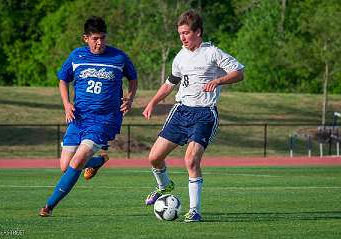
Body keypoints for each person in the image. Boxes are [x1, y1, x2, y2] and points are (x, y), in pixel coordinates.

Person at [142, 9, 244, 222]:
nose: (183, 37)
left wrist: (218, 81)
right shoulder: (180, 56)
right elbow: (170, 83)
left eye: (186, 33)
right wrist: (152, 101)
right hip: (181, 112)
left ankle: (194, 210)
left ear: (198, 32)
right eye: (180, 33)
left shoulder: (212, 53)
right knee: (154, 157)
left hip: (205, 114)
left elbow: (239, 73)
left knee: (190, 160)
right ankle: (164, 186)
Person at [39, 16, 137, 217]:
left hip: (104, 119)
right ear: (86, 38)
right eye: (94, 38)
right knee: (65, 166)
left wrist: (130, 98)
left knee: (75, 163)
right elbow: (62, 79)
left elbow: (133, 78)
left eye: (102, 38)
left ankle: (48, 206)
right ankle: (97, 162)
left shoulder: (119, 57)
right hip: (79, 118)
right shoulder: (76, 56)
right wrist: (67, 104)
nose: (99, 42)